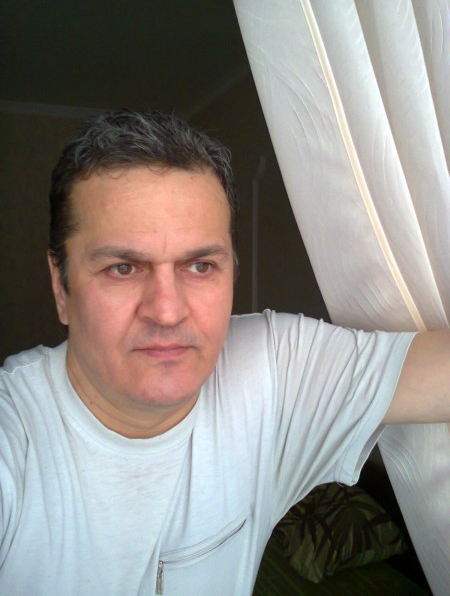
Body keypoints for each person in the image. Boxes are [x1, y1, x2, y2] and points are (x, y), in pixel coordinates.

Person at [0, 110, 448, 596]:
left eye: (199, 266)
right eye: (123, 268)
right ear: (60, 287)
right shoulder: (15, 439)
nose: (167, 311)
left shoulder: (277, 370)